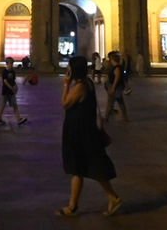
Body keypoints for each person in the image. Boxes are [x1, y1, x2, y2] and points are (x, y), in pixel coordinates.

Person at [59, 55, 121, 217]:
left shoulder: (79, 87)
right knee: (81, 168)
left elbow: (65, 103)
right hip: (86, 130)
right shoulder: (88, 83)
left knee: (86, 166)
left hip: (80, 132)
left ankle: (112, 196)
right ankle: (74, 206)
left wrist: (66, 84)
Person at [0, 57, 27, 126]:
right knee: (2, 106)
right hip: (5, 92)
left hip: (11, 92)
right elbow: (5, 81)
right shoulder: (4, 72)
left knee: (15, 105)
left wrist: (16, 86)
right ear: (7, 64)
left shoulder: (12, 72)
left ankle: (18, 119)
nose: (12, 65)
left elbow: (13, 80)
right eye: (11, 64)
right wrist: (11, 88)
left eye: (12, 63)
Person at [102, 51, 128, 124]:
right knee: (120, 102)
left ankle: (106, 117)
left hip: (116, 87)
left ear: (113, 60)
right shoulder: (117, 67)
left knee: (111, 102)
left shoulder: (117, 68)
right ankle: (124, 117)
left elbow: (117, 78)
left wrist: (113, 87)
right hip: (117, 87)